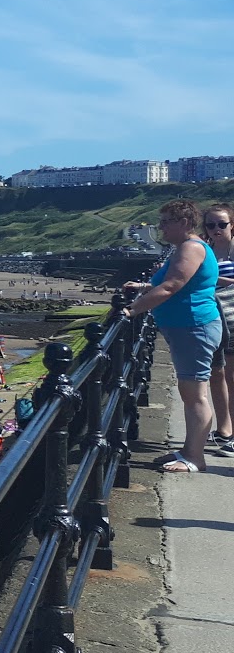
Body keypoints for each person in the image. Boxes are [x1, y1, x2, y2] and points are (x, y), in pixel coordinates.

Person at [124, 198, 220, 473]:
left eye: (166, 222)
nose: (161, 228)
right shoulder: (186, 247)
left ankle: (195, 459)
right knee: (189, 392)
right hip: (187, 327)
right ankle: (189, 450)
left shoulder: (191, 247)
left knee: (196, 395)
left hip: (194, 327)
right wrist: (144, 288)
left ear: (184, 222)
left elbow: (171, 286)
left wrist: (130, 312)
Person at [203, 203, 234, 459]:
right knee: (217, 374)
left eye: (221, 224)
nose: (216, 229)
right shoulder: (207, 251)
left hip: (233, 315)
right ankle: (225, 430)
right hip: (215, 317)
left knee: (231, 377)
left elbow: (204, 279)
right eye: (210, 225)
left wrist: (213, 279)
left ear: (231, 224)